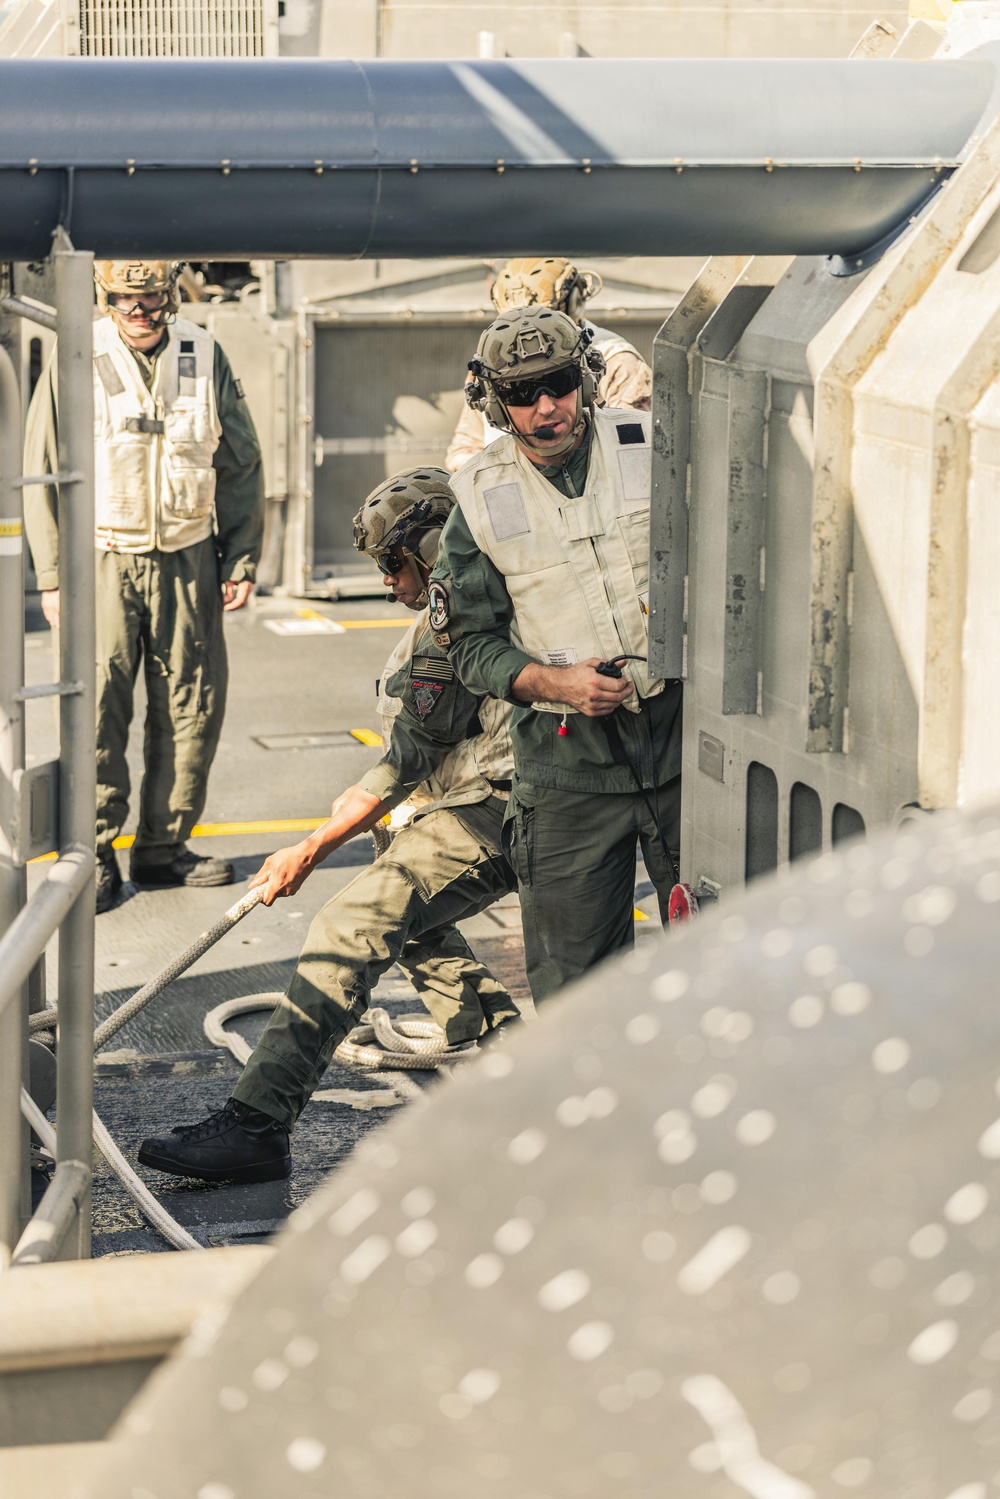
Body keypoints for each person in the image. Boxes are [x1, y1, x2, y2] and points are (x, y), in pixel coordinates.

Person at [137, 468, 520, 1184]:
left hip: (504, 808)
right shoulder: (467, 598)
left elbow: (406, 758)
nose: (386, 582)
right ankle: (509, 1056)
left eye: (392, 564)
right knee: (405, 899)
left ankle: (257, 1123)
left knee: (354, 921)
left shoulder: (458, 620)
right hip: (479, 799)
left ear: (434, 549)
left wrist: (309, 848)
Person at [430, 306, 683, 1002]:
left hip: (685, 751)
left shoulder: (652, 446)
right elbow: (468, 643)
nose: (547, 408)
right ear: (491, 400)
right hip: (569, 771)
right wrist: (554, 683)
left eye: (560, 383)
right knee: (578, 993)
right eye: (522, 393)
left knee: (726, 961)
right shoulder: (479, 498)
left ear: (588, 377)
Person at [23, 259, 265, 913]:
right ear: (105, 298)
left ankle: (162, 848)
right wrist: (52, 575)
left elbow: (240, 459)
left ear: (170, 296)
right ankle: (95, 852)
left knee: (190, 707)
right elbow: (41, 467)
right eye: (125, 300)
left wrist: (239, 558)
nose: (139, 312)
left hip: (187, 557)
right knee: (98, 707)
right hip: (101, 558)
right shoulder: (78, 355)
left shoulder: (203, 352)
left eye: (151, 298)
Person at [445, 256, 652, 472]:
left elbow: (633, 454)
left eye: (562, 381)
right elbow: (464, 450)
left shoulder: (618, 362)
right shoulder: (492, 368)